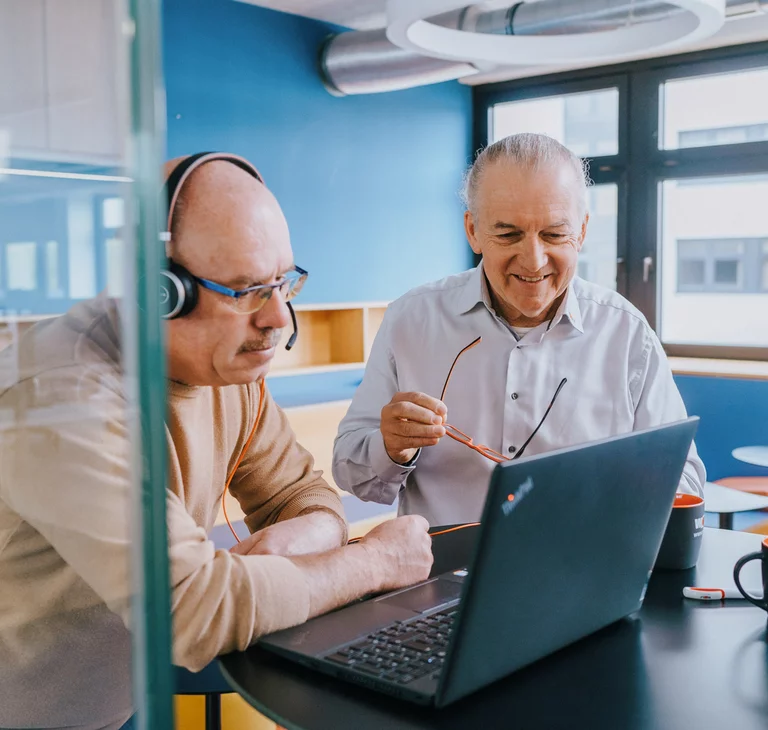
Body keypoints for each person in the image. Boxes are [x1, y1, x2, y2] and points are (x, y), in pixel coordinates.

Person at [0, 153, 432, 730]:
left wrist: (297, 539)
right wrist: (373, 561)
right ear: (160, 292)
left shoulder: (226, 368)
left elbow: (300, 493)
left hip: (117, 699)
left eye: (283, 283)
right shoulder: (65, 400)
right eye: (247, 289)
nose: (278, 318)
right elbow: (194, 610)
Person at [333, 133, 705, 526]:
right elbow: (351, 473)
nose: (533, 260)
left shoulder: (628, 336)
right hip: (440, 574)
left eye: (554, 234)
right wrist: (390, 448)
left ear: (581, 231)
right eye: (509, 234)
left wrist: (614, 485)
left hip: (582, 571)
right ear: (473, 231)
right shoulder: (410, 321)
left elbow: (688, 481)